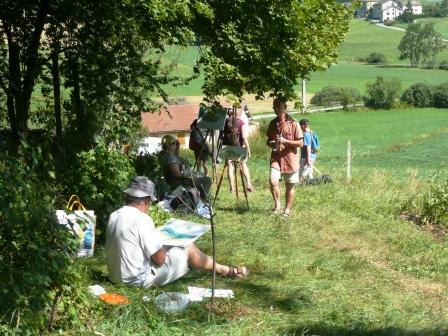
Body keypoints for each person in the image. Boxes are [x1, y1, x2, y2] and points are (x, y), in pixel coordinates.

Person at [106, 176, 249, 287]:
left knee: (171, 248)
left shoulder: (114, 215)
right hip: (137, 281)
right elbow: (159, 260)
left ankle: (203, 265)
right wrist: (164, 244)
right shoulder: (142, 219)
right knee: (188, 247)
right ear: (146, 201)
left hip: (115, 277)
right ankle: (224, 270)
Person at [266, 97, 303, 217]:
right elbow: (268, 140)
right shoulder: (272, 123)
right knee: (272, 180)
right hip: (276, 157)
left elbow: (300, 143)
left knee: (289, 185)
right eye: (274, 107)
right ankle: (277, 206)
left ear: (285, 108)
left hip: (290, 159)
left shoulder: (294, 123)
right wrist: (272, 143)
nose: (276, 109)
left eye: (279, 107)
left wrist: (285, 141)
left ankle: (287, 210)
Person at [161, 134, 212, 200]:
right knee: (207, 180)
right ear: (168, 145)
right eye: (174, 143)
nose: (176, 146)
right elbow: (177, 175)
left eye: (176, 144)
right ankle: (202, 199)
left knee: (202, 176)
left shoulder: (172, 156)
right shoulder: (170, 158)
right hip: (181, 183)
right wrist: (189, 174)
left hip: (182, 181)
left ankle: (200, 199)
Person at [223, 108, 255, 193]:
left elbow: (222, 135)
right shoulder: (241, 123)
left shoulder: (225, 123)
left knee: (230, 167)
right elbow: (244, 138)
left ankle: (232, 188)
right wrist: (248, 149)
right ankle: (248, 184)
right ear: (237, 114)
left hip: (227, 147)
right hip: (239, 146)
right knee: (243, 165)